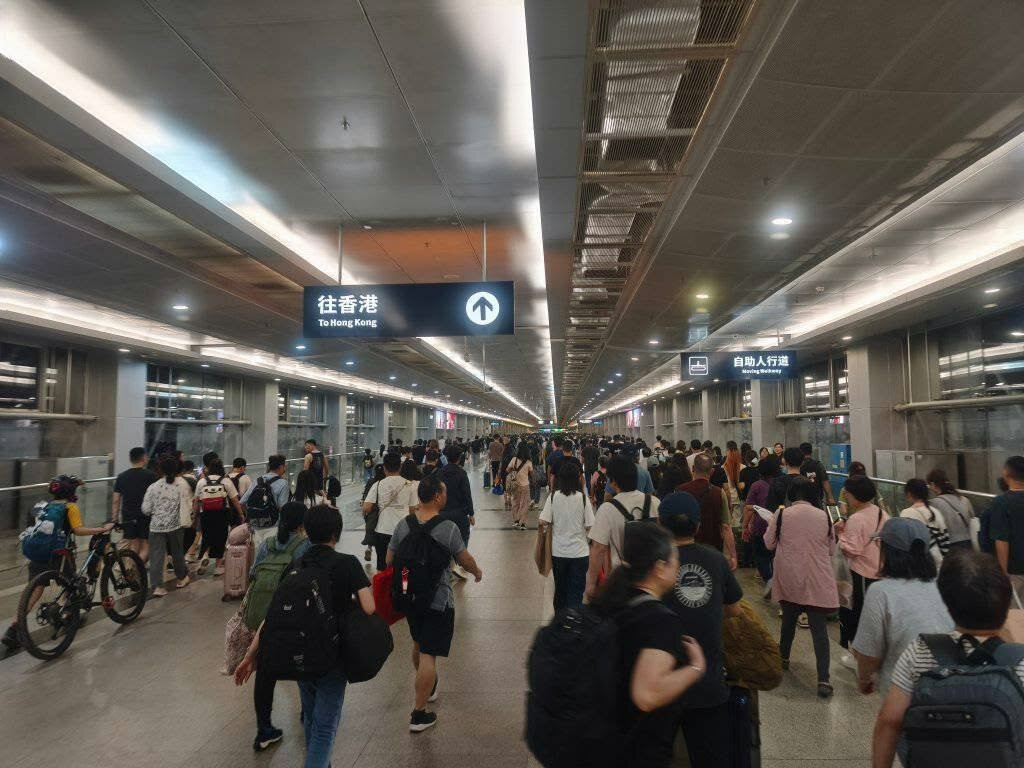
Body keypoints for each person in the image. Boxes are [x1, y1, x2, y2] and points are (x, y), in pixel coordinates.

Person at [235, 504, 373, 767]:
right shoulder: (347, 564)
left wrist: (251, 655)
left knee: (310, 717)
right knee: (325, 727)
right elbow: (370, 607)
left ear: (307, 532)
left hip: (300, 654)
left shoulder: (296, 565)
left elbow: (273, 616)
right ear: (337, 533)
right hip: (332, 656)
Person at [871, 550, 1024, 768]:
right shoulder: (1019, 660)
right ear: (1006, 598)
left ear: (947, 603)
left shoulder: (922, 650)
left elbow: (890, 721)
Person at [590, 522, 706, 768]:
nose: (679, 566)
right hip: (637, 750)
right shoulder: (660, 621)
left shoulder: (610, 600)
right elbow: (647, 695)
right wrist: (695, 667)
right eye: (675, 559)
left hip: (602, 740)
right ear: (659, 568)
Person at [388, 474, 483, 732]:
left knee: (419, 643)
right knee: (430, 653)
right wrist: (477, 572)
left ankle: (427, 686)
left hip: (409, 597)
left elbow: (389, 559)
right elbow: (464, 559)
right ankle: (419, 714)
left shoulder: (404, 524)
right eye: (444, 492)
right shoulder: (448, 527)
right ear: (438, 496)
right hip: (437, 600)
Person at [658, 491, 742, 768]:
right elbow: (735, 609)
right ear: (697, 526)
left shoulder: (653, 564)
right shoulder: (715, 560)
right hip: (708, 682)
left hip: (661, 681)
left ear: (660, 524)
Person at [2, 475, 115, 653]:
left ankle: (14, 628)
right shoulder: (70, 507)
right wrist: (102, 529)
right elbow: (78, 530)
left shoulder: (46, 506)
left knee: (36, 589)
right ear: (70, 492)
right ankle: (67, 615)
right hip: (58, 554)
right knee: (72, 584)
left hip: (38, 554)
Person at [850, 517, 952, 697]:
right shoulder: (944, 585)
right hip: (948, 688)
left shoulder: (881, 592)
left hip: (903, 693)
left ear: (888, 552)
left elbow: (869, 654)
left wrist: (864, 679)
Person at [764, 475, 839, 698]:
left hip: (791, 576)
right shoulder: (823, 516)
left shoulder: (782, 514)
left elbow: (769, 543)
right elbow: (831, 549)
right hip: (817, 578)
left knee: (788, 621)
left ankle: (783, 658)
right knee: (819, 632)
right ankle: (823, 679)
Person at [586, 456, 661, 598]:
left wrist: (591, 584)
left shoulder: (607, 509)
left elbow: (598, 549)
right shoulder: (655, 502)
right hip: (653, 580)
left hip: (621, 581)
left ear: (613, 481)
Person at [834, 474, 885, 669]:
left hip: (862, 573)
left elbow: (853, 549)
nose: (846, 497)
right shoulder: (881, 513)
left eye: (847, 493)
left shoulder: (857, 518)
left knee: (857, 616)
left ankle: (859, 659)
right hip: (879, 571)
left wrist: (840, 533)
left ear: (855, 495)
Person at [539, 462, 595, 610]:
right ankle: (573, 624)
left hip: (558, 553)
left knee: (560, 591)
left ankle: (560, 623)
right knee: (576, 592)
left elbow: (542, 521)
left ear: (560, 479)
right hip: (580, 553)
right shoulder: (583, 499)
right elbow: (591, 525)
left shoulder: (553, 497)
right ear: (577, 479)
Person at [139, 456, 192, 597]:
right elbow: (188, 504)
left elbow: (145, 509)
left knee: (156, 556)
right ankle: (181, 578)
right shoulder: (182, 484)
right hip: (176, 525)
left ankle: (158, 587)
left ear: (160, 470)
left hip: (156, 526)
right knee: (177, 553)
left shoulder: (154, 487)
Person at [679, 454, 737, 570]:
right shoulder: (718, 493)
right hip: (713, 550)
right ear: (712, 471)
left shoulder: (680, 490)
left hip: (685, 550)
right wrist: (733, 556)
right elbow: (726, 527)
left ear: (693, 469)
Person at [362, 452, 415, 570]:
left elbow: (366, 507)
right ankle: (402, 587)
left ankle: (385, 586)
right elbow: (413, 510)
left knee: (383, 564)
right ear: (400, 467)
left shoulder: (378, 484)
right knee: (403, 566)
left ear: (384, 468)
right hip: (404, 529)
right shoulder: (409, 484)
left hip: (383, 529)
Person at [194, 458, 245, 577]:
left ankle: (205, 556)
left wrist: (195, 515)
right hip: (222, 513)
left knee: (207, 536)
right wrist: (241, 513)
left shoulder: (202, 481)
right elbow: (234, 499)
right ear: (221, 468)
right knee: (220, 538)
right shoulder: (225, 481)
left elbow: (196, 501)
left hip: (206, 513)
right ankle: (218, 567)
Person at [111, 447, 158, 564]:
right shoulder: (151, 476)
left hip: (128, 516)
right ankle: (136, 569)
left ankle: (129, 570)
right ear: (143, 458)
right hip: (145, 515)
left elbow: (116, 500)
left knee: (133, 545)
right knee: (146, 546)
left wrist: (114, 519)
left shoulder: (121, 476)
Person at [743, 456, 780, 587]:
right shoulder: (780, 484)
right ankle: (777, 582)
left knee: (761, 556)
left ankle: (769, 581)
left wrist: (745, 527)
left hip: (760, 527)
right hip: (779, 526)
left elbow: (749, 509)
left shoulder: (757, 485)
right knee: (776, 556)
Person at [990, 455, 1024, 595]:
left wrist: (1003, 574)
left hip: (1015, 570)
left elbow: (1002, 540)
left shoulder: (1001, 502)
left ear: (1006, 473)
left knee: (1015, 613)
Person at [924, 468, 974, 553]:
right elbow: (971, 517)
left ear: (932, 484)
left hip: (950, 545)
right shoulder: (963, 499)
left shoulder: (934, 503)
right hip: (968, 543)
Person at [900, 478, 950, 562]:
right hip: (938, 563)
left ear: (909, 493)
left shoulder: (906, 514)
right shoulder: (936, 512)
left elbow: (904, 542)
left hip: (918, 565)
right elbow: (945, 540)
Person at [506, 442, 533, 530]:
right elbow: (532, 474)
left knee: (515, 503)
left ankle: (516, 521)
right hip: (525, 485)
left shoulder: (514, 459)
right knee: (525, 504)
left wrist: (513, 470)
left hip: (515, 484)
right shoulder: (529, 462)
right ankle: (523, 523)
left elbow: (507, 470)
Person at [799, 442, 834, 508]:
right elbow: (825, 482)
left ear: (800, 452)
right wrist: (830, 498)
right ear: (811, 451)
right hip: (817, 500)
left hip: (801, 501)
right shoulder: (818, 465)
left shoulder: (798, 466)